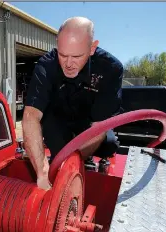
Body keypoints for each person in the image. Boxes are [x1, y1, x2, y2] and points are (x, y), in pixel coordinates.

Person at [22, 16, 123, 190]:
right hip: (58, 121)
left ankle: (80, 162)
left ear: (92, 48)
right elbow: (31, 116)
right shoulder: (46, 66)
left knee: (109, 143)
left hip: (90, 124)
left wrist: (71, 163)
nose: (68, 64)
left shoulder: (110, 69)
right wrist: (42, 172)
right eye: (63, 55)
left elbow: (99, 127)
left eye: (76, 56)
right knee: (57, 149)